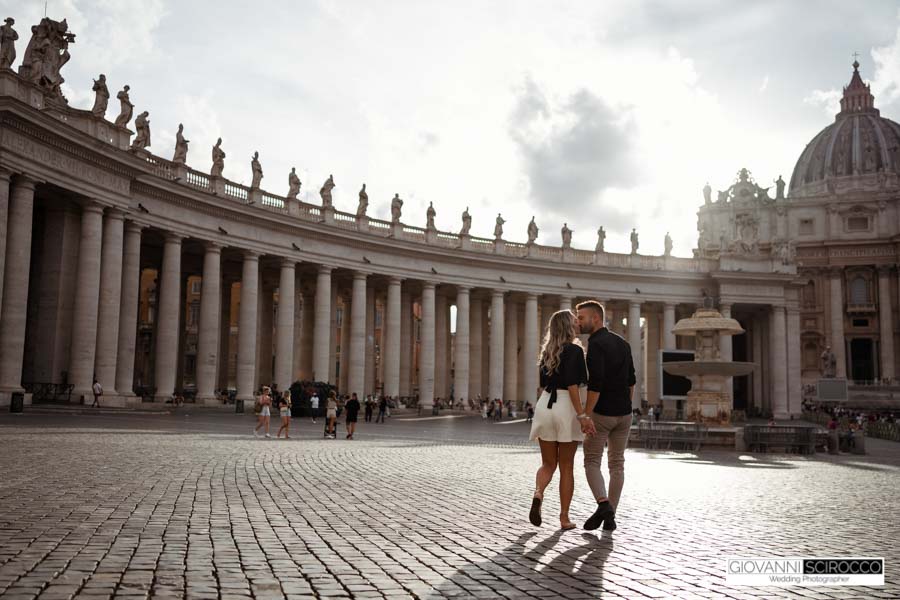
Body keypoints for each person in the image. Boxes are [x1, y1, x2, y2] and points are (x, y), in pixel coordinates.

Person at [576, 300, 636, 532]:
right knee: (617, 465)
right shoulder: (623, 343)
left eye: (581, 318)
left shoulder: (595, 344)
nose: (578, 322)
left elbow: (595, 384)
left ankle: (604, 505)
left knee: (591, 462)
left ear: (596, 319)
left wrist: (585, 414)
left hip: (602, 413)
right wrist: (625, 405)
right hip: (624, 413)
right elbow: (631, 380)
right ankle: (611, 515)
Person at [528, 309, 590, 531]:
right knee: (566, 466)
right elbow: (573, 385)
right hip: (565, 405)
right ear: (568, 326)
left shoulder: (547, 352)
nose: (578, 324)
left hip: (544, 405)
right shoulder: (575, 350)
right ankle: (564, 518)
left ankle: (538, 493)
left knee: (547, 463)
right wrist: (582, 414)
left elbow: (543, 384)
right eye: (575, 322)